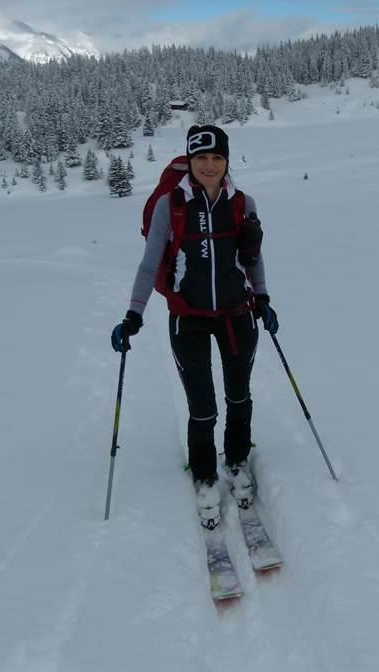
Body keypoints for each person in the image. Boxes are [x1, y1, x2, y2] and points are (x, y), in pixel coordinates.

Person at [110, 124, 279, 530]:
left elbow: (252, 257)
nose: (209, 165)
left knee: (239, 396)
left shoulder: (243, 203)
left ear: (226, 161)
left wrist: (262, 298)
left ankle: (237, 460)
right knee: (202, 408)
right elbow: (150, 262)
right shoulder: (171, 205)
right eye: (201, 158)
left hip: (237, 315)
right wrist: (134, 313)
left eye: (217, 157)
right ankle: (204, 476)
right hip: (189, 318)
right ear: (190, 161)